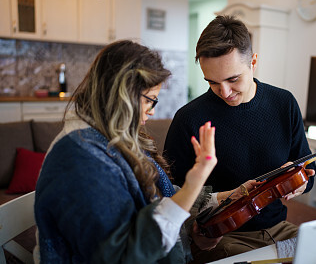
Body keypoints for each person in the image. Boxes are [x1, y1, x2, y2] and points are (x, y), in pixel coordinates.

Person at [34, 40, 259, 263]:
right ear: (123, 96)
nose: (151, 111)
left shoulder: (110, 138)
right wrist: (196, 178)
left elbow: (166, 196)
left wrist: (229, 196)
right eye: (150, 100)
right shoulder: (80, 160)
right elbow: (125, 255)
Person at [163, 15, 316, 263]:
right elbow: (172, 194)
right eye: (212, 82)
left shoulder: (284, 103)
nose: (224, 92)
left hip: (280, 229)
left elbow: (310, 170)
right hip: (222, 238)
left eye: (233, 79)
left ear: (253, 62)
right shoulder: (188, 118)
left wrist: (300, 182)